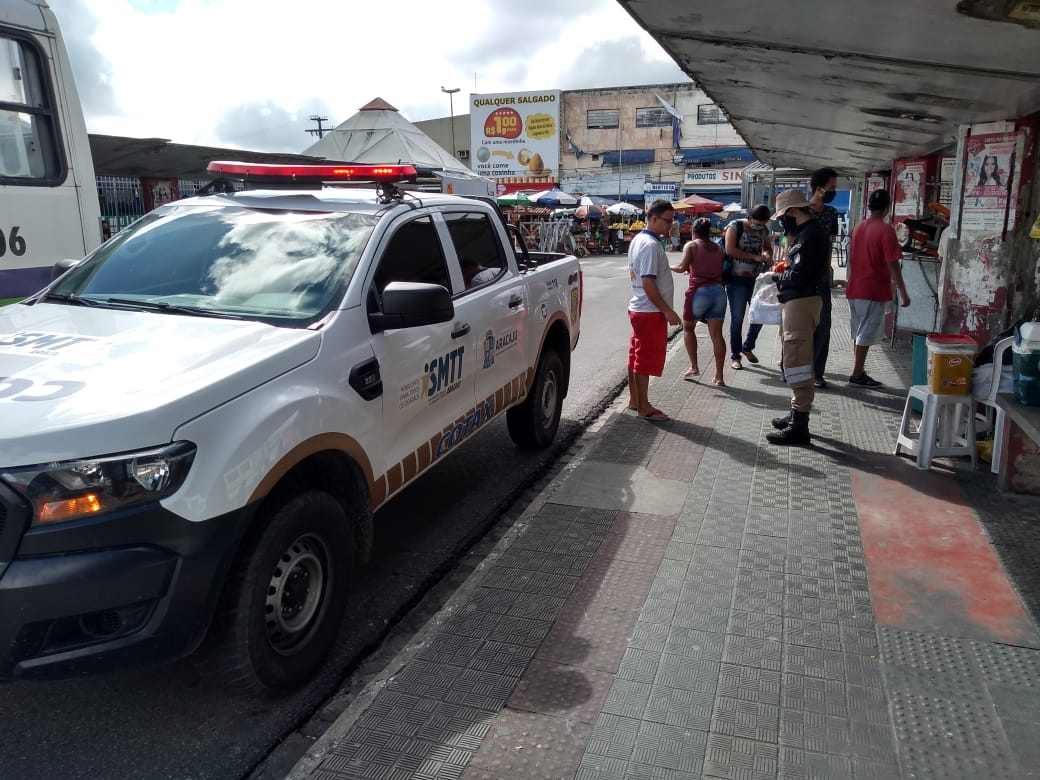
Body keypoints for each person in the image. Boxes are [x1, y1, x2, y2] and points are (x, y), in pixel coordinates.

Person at [767, 189, 829, 446]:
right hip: (800, 301)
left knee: (797, 359)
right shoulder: (806, 232)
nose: (783, 222)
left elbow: (800, 275)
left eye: (783, 216)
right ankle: (796, 412)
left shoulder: (810, 234)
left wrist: (775, 277)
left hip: (802, 301)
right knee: (793, 355)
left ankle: (799, 425)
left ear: (792, 211)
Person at [845, 189, 910, 387]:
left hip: (855, 287)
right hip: (872, 288)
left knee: (859, 331)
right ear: (887, 208)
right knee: (866, 332)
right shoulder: (886, 230)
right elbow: (893, 263)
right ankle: (857, 374)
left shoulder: (858, 227)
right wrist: (902, 291)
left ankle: (859, 370)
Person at [626, 199, 680, 421]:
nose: (670, 225)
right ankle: (644, 406)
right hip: (649, 311)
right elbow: (648, 282)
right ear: (654, 219)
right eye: (668, 221)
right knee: (645, 358)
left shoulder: (639, 239)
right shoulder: (650, 245)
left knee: (637, 355)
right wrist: (667, 311)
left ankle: (635, 400)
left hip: (641, 308)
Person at [671, 217, 727, 385]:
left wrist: (666, 266)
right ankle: (719, 376)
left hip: (699, 292)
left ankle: (694, 367)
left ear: (693, 232)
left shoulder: (692, 245)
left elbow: (681, 267)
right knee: (717, 335)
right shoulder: (718, 248)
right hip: (718, 292)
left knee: (688, 328)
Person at [724, 204, 774, 370]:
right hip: (736, 279)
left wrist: (767, 256)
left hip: (756, 279)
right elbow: (730, 249)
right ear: (750, 217)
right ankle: (735, 356)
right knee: (737, 318)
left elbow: (768, 248)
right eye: (757, 223)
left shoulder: (763, 230)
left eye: (762, 224)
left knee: (760, 314)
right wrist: (754, 257)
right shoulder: (735, 226)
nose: (759, 227)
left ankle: (747, 346)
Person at [806, 167, 840, 388]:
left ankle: (817, 372)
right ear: (818, 188)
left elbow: (830, 244)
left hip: (821, 278)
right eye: (831, 187)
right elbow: (790, 242)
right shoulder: (800, 210)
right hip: (801, 277)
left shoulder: (831, 213)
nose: (834, 191)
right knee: (799, 324)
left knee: (824, 324)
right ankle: (792, 368)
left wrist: (827, 270)